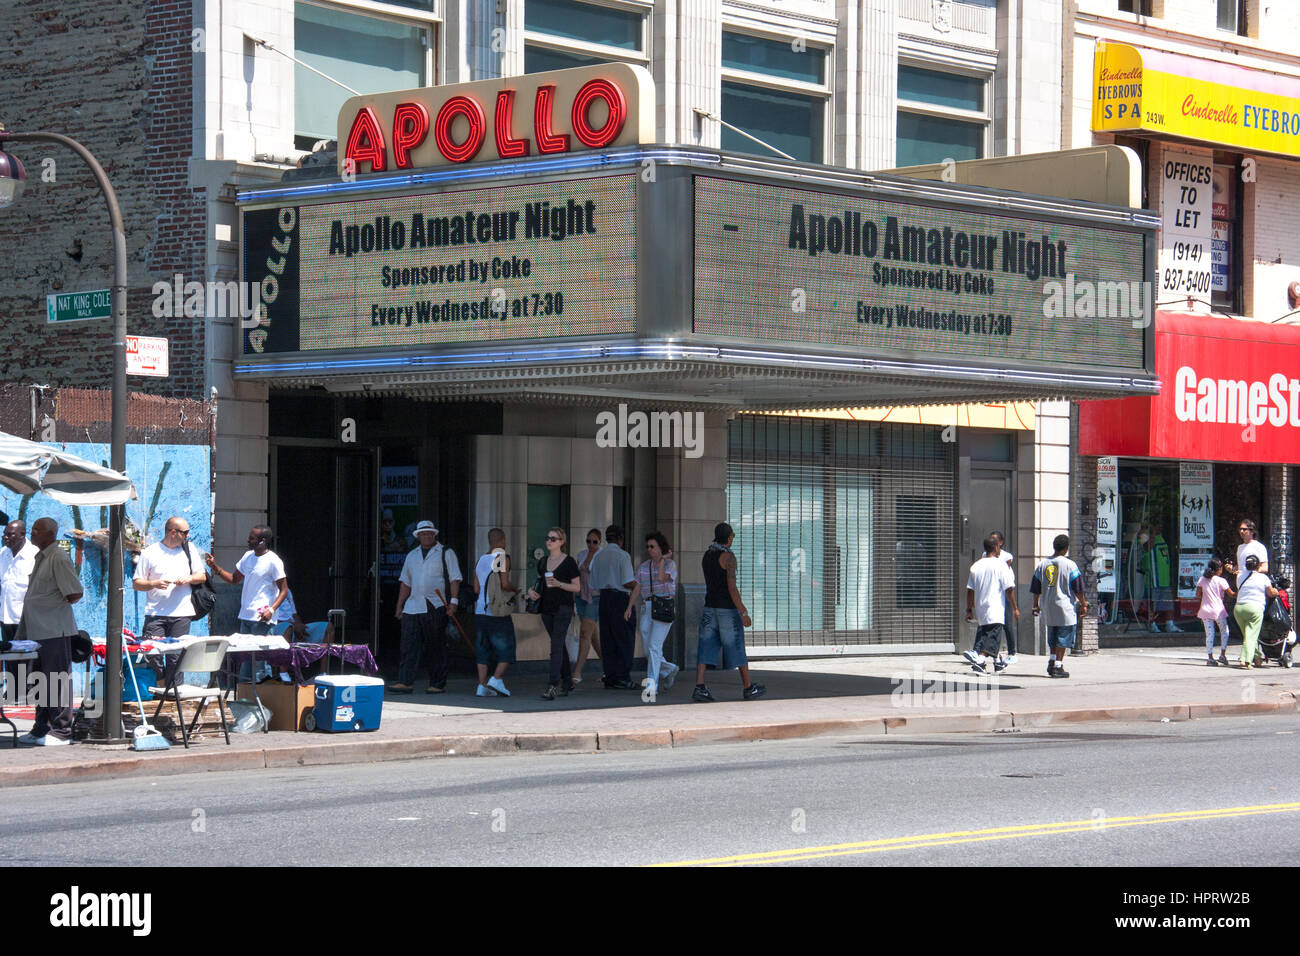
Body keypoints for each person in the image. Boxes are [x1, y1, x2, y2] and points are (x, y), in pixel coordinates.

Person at [15, 518, 82, 746]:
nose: (32, 533)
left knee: (57, 680)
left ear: (50, 534)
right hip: (38, 631)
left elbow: (74, 593)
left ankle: (61, 731)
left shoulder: (58, 557)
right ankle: (41, 727)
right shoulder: (41, 556)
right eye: (32, 529)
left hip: (54, 628)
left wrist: (49, 604)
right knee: (40, 682)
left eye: (37, 530)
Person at [693, 522, 765, 701]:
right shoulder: (729, 558)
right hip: (727, 609)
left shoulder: (707, 555)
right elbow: (732, 588)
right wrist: (743, 611)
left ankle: (700, 686)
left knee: (705, 646)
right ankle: (748, 687)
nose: (733, 539)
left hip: (710, 607)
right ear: (729, 537)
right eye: (732, 536)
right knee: (736, 646)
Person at [391, 520, 461, 694]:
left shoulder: (446, 552)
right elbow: (405, 582)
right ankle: (405, 681)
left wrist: (453, 602)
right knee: (408, 645)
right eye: (423, 533)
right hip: (413, 605)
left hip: (435, 604)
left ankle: (437, 683)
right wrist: (399, 606)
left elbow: (454, 578)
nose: (426, 536)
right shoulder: (412, 555)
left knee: (435, 645)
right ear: (418, 536)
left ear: (434, 534)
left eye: (429, 533)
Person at [205, 525, 289, 636]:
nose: (247, 540)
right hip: (245, 616)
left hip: (262, 619)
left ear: (262, 541)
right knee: (246, 653)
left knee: (259, 653)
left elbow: (284, 590)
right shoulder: (247, 556)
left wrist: (271, 611)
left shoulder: (273, 561)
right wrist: (214, 567)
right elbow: (234, 579)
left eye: (252, 538)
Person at [625, 531, 679, 703]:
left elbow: (662, 578)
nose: (649, 549)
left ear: (660, 548)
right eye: (648, 546)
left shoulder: (670, 565)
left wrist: (663, 559)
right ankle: (669, 669)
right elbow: (637, 588)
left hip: (664, 606)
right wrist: (629, 607)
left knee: (654, 647)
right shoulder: (643, 567)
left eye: (652, 546)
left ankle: (651, 686)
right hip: (648, 607)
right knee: (649, 648)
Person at [527, 527, 581, 700]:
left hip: (563, 607)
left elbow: (577, 587)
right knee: (558, 645)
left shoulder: (569, 562)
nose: (549, 541)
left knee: (555, 646)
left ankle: (553, 685)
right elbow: (539, 584)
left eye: (553, 538)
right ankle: (567, 681)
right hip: (547, 608)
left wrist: (559, 584)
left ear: (562, 542)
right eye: (547, 538)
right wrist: (531, 592)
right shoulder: (542, 562)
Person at [132, 516, 206, 639]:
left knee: (177, 656)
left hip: (182, 614)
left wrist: (188, 578)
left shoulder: (189, 549)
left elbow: (202, 576)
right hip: (155, 615)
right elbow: (137, 584)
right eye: (185, 532)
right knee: (154, 655)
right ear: (173, 532)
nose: (188, 535)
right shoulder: (149, 552)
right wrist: (154, 583)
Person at [1031, 534, 1086, 679]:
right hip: (1064, 606)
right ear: (1066, 548)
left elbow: (1035, 587)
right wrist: (1083, 603)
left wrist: (1035, 605)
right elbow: (1078, 587)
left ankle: (1052, 659)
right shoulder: (1069, 564)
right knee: (1063, 636)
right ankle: (1058, 666)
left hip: (1048, 605)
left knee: (1053, 635)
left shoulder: (1043, 564)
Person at [471, 528, 518, 698]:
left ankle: (482, 686)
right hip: (497, 611)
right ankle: (496, 679)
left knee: (483, 649)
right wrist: (515, 590)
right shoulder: (502, 558)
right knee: (507, 646)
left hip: (480, 611)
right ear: (503, 540)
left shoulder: (480, 560)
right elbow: (505, 584)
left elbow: (476, 588)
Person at [590, 524, 637, 689]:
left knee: (607, 639)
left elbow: (593, 582)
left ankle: (610, 676)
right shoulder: (623, 556)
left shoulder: (598, 556)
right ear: (620, 539)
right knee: (625, 638)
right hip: (620, 598)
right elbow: (627, 580)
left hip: (604, 598)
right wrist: (638, 585)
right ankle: (623, 677)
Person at [0, 520, 40, 696]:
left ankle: (28, 691)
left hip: (26, 618)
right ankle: (14, 690)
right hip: (5, 615)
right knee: (9, 655)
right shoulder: (3, 554)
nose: (5, 537)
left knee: (26, 656)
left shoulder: (34, 555)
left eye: (10, 534)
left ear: (23, 535)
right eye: (5, 533)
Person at [966, 535, 1015, 675]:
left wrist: (969, 609)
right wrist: (1015, 608)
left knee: (988, 635)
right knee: (992, 637)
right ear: (996, 547)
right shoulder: (1001, 565)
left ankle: (997, 662)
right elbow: (1009, 588)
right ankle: (980, 663)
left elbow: (970, 590)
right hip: (995, 608)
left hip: (981, 608)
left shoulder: (976, 566)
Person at [1234, 553, 1277, 669]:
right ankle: (1245, 660)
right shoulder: (1263, 578)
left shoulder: (1239, 576)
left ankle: (1257, 657)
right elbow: (1270, 593)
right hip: (1254, 608)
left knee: (1248, 636)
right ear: (1257, 565)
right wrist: (1276, 591)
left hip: (1239, 608)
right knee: (1251, 636)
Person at [571, 528, 603, 685]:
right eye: (588, 541)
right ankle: (609, 667)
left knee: (585, 633)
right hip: (581, 596)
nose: (591, 544)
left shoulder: (601, 556)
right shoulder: (581, 554)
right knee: (593, 636)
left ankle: (577, 671)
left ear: (600, 542)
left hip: (595, 597)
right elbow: (577, 576)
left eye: (594, 541)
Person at [1195, 558, 1234, 666]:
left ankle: (1210, 657)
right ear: (1219, 569)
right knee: (1224, 631)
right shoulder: (1221, 581)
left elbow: (1197, 594)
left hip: (1205, 610)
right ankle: (1222, 654)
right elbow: (1231, 594)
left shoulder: (1202, 579)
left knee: (1209, 634)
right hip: (1218, 610)